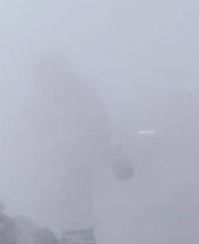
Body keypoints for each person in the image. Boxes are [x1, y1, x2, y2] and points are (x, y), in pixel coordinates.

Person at [27, 51, 132, 231]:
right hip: (68, 163)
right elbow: (102, 126)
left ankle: (77, 242)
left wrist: (115, 157)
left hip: (70, 163)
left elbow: (99, 127)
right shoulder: (78, 93)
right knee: (73, 208)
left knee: (73, 209)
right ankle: (77, 240)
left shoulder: (67, 95)